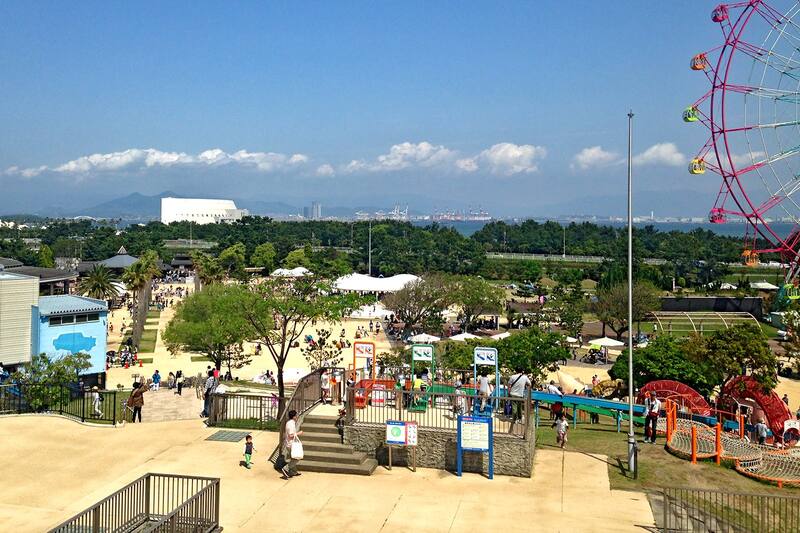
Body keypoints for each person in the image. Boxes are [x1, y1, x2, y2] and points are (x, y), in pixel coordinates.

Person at [282, 410, 303, 479]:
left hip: (289, 443)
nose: (297, 416)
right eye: (296, 415)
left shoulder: (290, 422)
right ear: (294, 417)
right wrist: (299, 433)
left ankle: (293, 472)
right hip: (291, 444)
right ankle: (286, 468)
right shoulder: (291, 424)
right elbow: (291, 435)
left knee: (293, 458)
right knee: (296, 458)